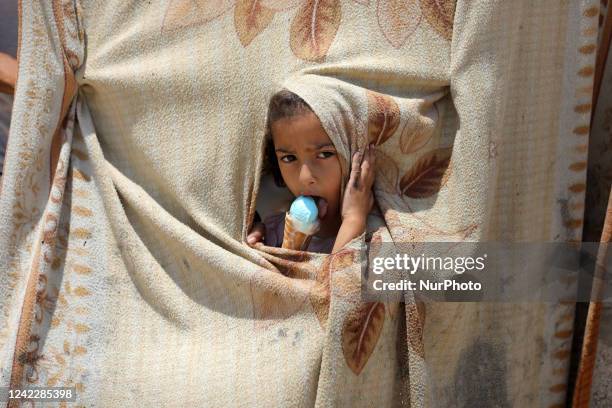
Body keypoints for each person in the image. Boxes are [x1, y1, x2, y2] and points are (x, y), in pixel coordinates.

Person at [247, 89, 375, 254]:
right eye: (288, 158)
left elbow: (338, 278)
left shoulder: (382, 236)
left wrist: (354, 219)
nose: (305, 178)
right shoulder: (271, 235)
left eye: (324, 154)